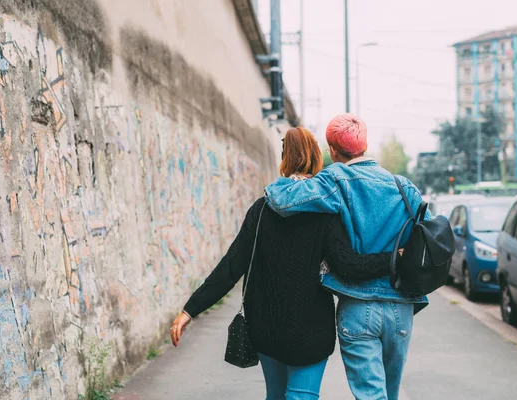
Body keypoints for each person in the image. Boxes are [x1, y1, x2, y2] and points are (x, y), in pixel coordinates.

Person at [170, 126, 396, 400]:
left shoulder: (262, 209)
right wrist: (396, 258)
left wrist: (189, 311)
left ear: (284, 159)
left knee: (275, 396)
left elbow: (231, 266)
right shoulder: (327, 213)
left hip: (266, 326)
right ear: (317, 159)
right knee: (302, 396)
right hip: (310, 330)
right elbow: (348, 266)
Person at [264, 114, 431, 400]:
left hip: (358, 306)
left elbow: (283, 201)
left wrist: (274, 186)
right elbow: (429, 237)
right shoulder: (404, 187)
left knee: (370, 396)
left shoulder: (335, 180)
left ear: (332, 150)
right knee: (389, 395)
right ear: (365, 145)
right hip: (401, 307)